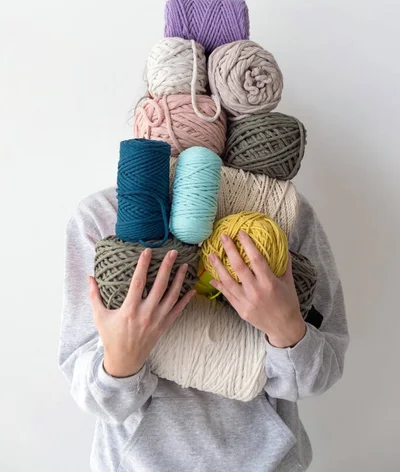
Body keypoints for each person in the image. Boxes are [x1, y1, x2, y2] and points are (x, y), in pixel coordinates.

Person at [58, 186, 349, 471]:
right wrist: (122, 360)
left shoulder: (286, 212)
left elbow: (320, 374)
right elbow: (89, 390)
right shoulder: (104, 213)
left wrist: (286, 329)